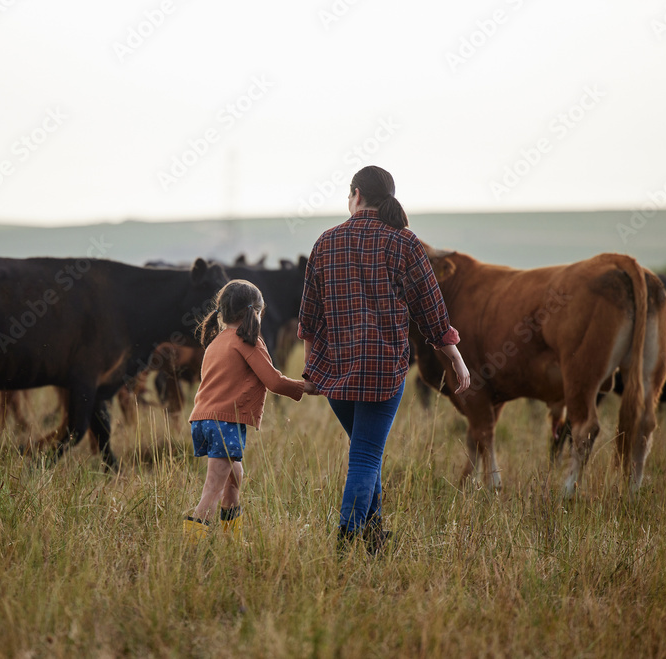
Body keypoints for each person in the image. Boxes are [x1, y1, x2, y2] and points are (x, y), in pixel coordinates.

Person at [297, 165, 471, 554]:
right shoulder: (405, 243)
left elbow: (309, 317)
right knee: (365, 454)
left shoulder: (325, 242)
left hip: (335, 373)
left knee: (364, 450)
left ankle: (375, 537)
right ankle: (346, 541)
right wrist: (456, 358)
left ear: (356, 194)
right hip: (383, 371)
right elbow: (432, 312)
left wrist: (310, 369)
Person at [184, 279, 316, 543]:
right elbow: (274, 381)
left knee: (234, 477)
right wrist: (308, 387)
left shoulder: (216, 342)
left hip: (202, 420)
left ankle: (233, 541)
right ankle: (189, 550)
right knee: (212, 489)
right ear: (255, 312)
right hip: (224, 423)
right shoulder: (248, 342)